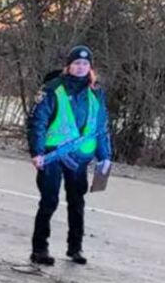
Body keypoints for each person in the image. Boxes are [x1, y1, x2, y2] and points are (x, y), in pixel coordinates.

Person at [27, 45, 114, 266]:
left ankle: (75, 248)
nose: (81, 67)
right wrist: (37, 152)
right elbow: (37, 122)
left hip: (80, 157)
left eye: (85, 64)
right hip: (52, 155)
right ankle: (39, 249)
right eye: (77, 63)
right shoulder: (52, 89)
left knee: (77, 202)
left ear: (90, 67)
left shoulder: (96, 92)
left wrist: (105, 156)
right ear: (69, 65)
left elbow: (101, 127)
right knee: (49, 201)